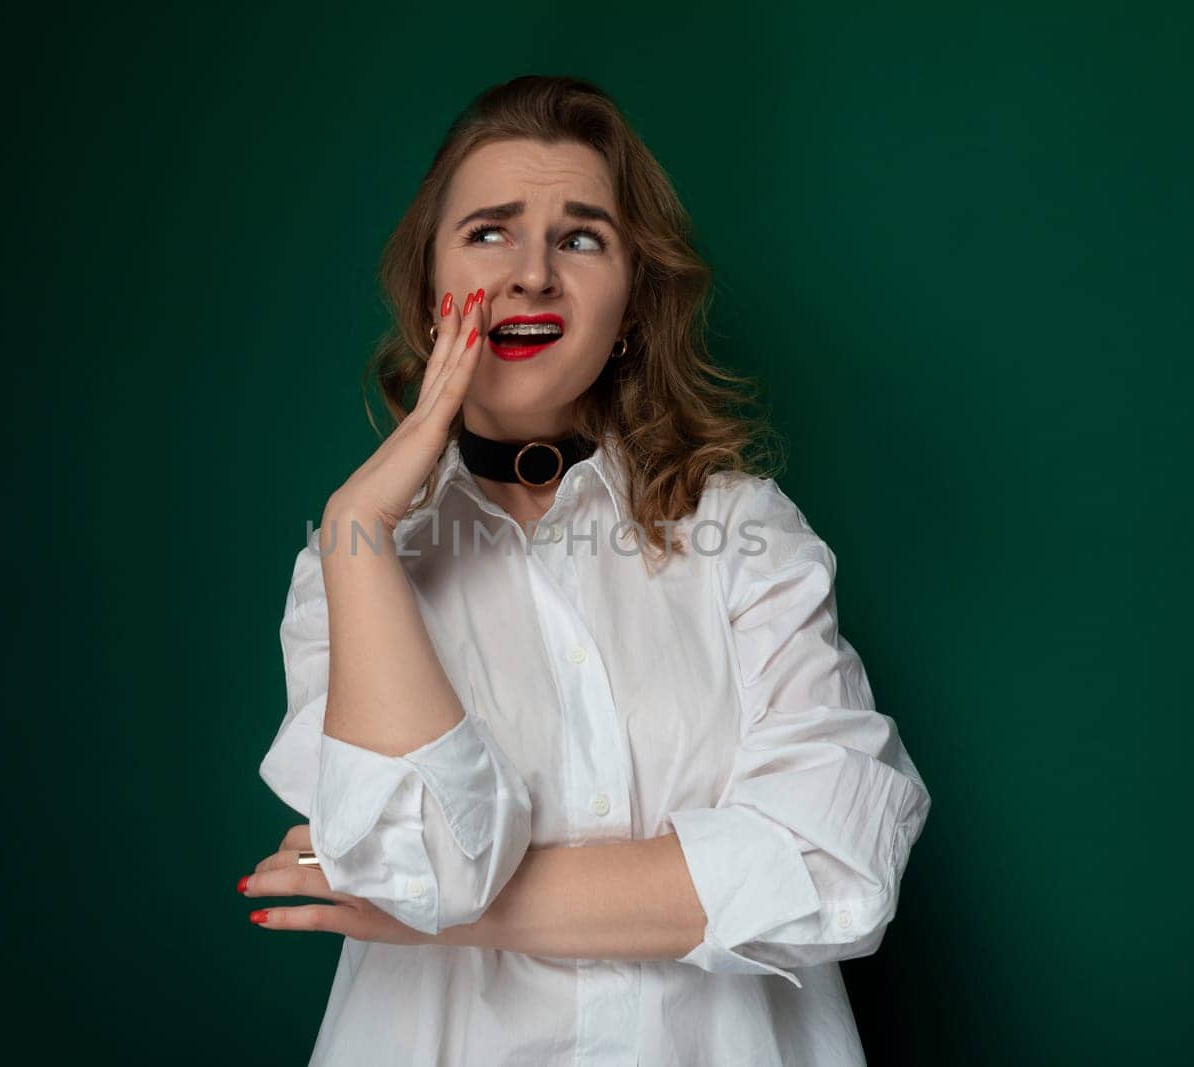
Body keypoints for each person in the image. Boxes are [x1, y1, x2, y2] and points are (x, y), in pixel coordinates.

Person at [240, 74, 932, 1066]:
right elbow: (423, 861)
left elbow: (833, 867)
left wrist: (440, 909)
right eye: (489, 230)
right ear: (429, 288)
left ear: (634, 303)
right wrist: (357, 520)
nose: (531, 274)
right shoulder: (346, 566)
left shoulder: (747, 530)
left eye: (579, 237)